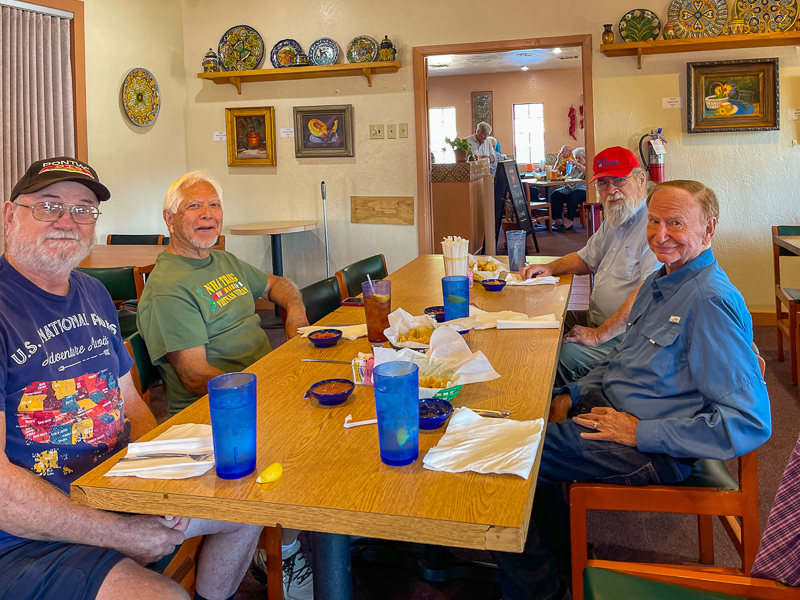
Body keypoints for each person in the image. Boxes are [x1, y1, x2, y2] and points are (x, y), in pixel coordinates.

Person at [493, 179, 772, 600]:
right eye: (655, 221)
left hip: (654, 446)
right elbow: (621, 362)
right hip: (607, 408)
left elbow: (750, 422)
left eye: (676, 223)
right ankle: (562, 561)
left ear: (708, 229)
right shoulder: (662, 282)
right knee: (514, 412)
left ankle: (540, 590)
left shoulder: (709, 301)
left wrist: (638, 433)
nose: (660, 235)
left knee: (506, 462)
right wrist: (574, 392)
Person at [0, 157, 263, 600]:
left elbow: (132, 403)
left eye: (83, 209)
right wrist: (120, 532)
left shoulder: (93, 293)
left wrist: (162, 485)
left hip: (116, 490)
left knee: (252, 501)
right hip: (29, 535)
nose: (67, 221)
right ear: (10, 216)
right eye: (49, 206)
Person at [136, 170, 313, 599]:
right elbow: (196, 377)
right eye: (193, 206)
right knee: (315, 447)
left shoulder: (223, 261)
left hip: (264, 384)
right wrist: (272, 390)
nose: (207, 215)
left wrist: (296, 312)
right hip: (216, 418)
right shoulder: (168, 288)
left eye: (213, 205)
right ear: (169, 219)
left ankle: (286, 539)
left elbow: (278, 285)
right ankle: (283, 548)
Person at [520, 146, 661, 386]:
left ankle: (551, 413)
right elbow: (586, 259)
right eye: (603, 183)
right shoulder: (617, 218)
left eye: (619, 180)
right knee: (544, 322)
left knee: (557, 358)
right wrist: (551, 267)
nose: (611, 191)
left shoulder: (654, 225)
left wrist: (599, 334)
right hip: (600, 320)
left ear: (641, 179)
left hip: (629, 337)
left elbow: (648, 291)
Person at [549, 146, 586, 232]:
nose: (577, 160)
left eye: (579, 158)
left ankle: (570, 221)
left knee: (572, 197)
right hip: (571, 187)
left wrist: (577, 164)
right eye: (576, 158)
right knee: (555, 194)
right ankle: (558, 220)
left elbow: (587, 172)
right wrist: (562, 177)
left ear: (585, 158)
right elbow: (568, 176)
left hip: (582, 189)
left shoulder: (586, 166)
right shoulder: (574, 167)